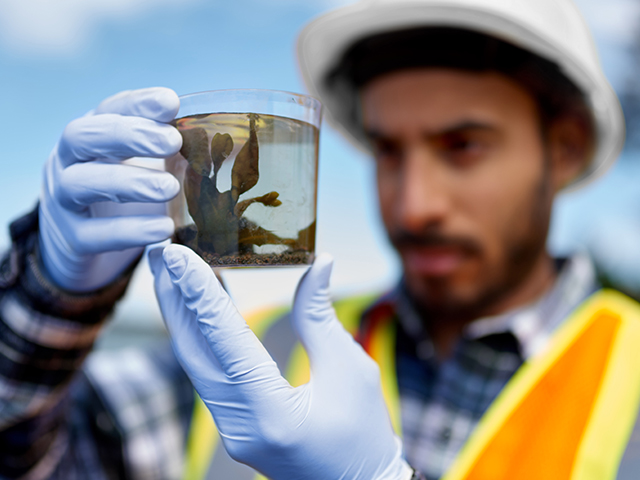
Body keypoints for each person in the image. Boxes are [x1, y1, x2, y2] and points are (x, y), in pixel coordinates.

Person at [1, 1, 639, 479]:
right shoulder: (254, 355)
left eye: (463, 147)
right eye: (389, 150)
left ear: (564, 148)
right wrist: (52, 296)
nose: (415, 205)